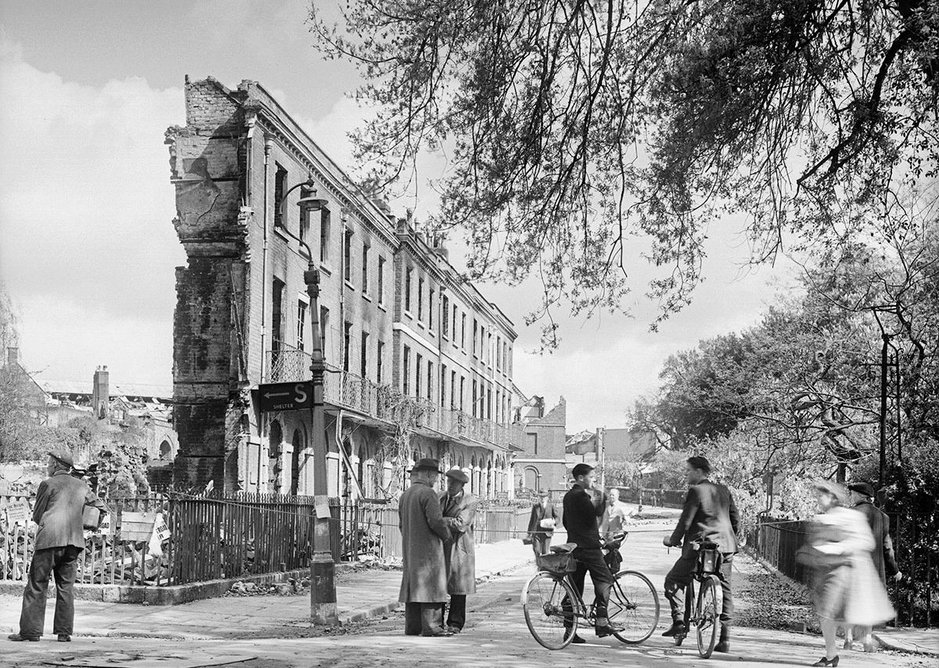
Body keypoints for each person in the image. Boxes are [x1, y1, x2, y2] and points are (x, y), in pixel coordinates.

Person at [9, 449, 108, 643]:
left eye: (49, 463)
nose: (47, 466)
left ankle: (30, 632)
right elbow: (102, 507)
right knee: (66, 587)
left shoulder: (47, 484)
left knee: (37, 584)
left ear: (55, 465)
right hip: (73, 542)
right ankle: (64, 633)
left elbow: (37, 515)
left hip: (49, 541)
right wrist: (88, 522)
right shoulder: (81, 486)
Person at [800, 480, 894, 667]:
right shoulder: (823, 518)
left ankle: (838, 650)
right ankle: (843, 647)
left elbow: (866, 542)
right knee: (827, 614)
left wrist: (835, 549)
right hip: (826, 572)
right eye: (817, 496)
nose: (818, 500)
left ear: (833, 497)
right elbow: (815, 545)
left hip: (844, 571)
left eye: (821, 496)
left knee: (831, 612)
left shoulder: (851, 516)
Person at [662, 456, 738, 653]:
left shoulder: (696, 491)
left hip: (701, 547)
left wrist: (673, 540)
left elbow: (685, 522)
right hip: (725, 547)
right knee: (726, 588)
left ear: (698, 471)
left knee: (674, 580)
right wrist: (730, 538)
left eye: (688, 470)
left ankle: (679, 620)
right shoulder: (723, 490)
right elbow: (735, 518)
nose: (686, 474)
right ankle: (725, 639)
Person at [562, 463, 623, 643]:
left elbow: (566, 522)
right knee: (605, 580)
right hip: (588, 548)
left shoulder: (568, 496)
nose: (593, 480)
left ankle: (569, 631)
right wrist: (602, 497)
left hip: (574, 547)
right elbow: (593, 515)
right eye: (591, 477)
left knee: (575, 589)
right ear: (581, 478)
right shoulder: (581, 496)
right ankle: (602, 621)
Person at [842, 481, 902, 652]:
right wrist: (895, 570)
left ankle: (848, 639)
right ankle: (867, 641)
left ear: (861, 496)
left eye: (852, 493)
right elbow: (887, 547)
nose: (851, 496)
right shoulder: (883, 518)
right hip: (873, 570)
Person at [398, 458, 452, 637]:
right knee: (431, 585)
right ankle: (432, 626)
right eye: (435, 476)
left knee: (413, 586)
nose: (436, 480)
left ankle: (413, 627)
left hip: (410, 547)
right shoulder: (428, 493)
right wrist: (446, 536)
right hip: (428, 549)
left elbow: (401, 525)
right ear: (429, 474)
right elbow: (435, 521)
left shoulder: (406, 495)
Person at [439, 467, 478, 633]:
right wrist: (447, 521)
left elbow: (461, 524)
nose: (450, 485)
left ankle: (455, 623)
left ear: (462, 485)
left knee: (458, 586)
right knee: (439, 584)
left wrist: (441, 520)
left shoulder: (469, 501)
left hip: (459, 547)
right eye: (449, 482)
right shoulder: (440, 497)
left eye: (454, 483)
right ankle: (436, 621)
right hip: (441, 547)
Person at [526, 491, 557, 556]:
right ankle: (538, 564)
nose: (542, 499)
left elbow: (557, 518)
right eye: (540, 497)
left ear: (547, 498)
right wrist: (529, 533)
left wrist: (553, 522)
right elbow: (532, 520)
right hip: (537, 532)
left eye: (544, 497)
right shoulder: (535, 506)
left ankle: (543, 565)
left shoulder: (551, 506)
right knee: (536, 550)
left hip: (547, 533)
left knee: (545, 552)